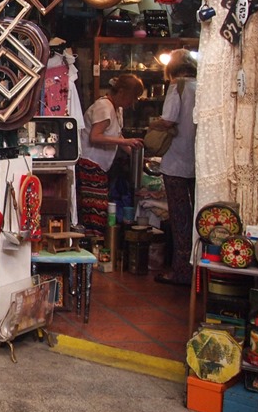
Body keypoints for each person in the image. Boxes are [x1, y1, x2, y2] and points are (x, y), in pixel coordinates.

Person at [150, 50, 198, 286]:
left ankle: (181, 271)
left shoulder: (177, 87)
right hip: (199, 161)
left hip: (177, 161)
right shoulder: (202, 85)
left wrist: (153, 124)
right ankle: (198, 268)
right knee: (198, 215)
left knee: (180, 218)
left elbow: (168, 119)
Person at [76, 74, 145, 236]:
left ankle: (95, 246)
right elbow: (95, 137)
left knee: (100, 211)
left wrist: (134, 152)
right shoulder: (104, 106)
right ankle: (92, 247)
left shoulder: (117, 109)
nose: (132, 103)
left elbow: (117, 136)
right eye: (132, 97)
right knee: (94, 211)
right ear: (121, 92)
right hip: (89, 165)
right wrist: (125, 142)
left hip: (100, 167)